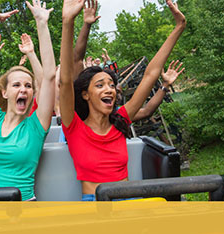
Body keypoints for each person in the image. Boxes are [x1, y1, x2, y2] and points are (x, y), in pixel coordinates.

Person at [59, 0, 186, 201]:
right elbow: (66, 80)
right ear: (85, 94)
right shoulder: (73, 125)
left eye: (111, 84)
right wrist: (68, 22)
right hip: (95, 205)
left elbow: (150, 74)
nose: (109, 89)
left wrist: (179, 27)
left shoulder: (121, 120)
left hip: (129, 200)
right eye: (100, 85)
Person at [0, 0, 56, 201]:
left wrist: (41, 23)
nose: (24, 90)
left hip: (22, 208)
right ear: (5, 93)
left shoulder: (36, 126)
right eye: (17, 85)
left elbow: (50, 77)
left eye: (28, 86)